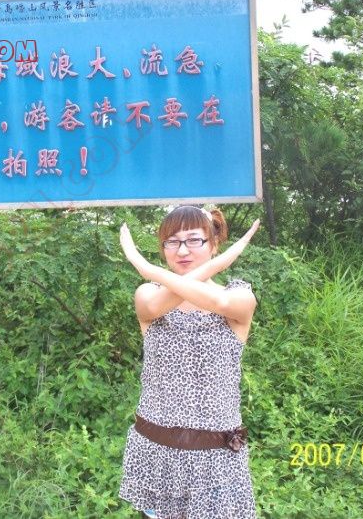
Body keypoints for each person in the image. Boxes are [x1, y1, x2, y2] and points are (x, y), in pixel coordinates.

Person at [118, 205, 260, 519]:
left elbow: (219, 301)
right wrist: (154, 276)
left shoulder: (239, 297)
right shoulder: (148, 294)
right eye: (172, 241)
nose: (182, 250)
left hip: (215, 461)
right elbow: (154, 306)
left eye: (194, 240)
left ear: (214, 243)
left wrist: (144, 265)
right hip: (156, 454)